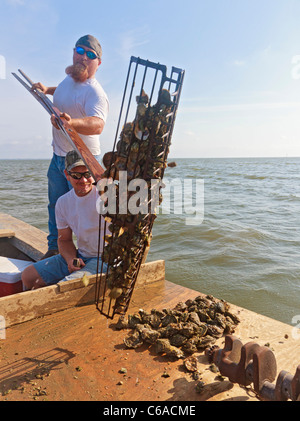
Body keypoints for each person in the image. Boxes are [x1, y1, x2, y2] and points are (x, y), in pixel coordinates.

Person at [32, 34, 109, 259]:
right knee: (56, 205)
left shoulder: (95, 92)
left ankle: (91, 256)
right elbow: (64, 91)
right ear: (74, 52)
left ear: (98, 62)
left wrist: (71, 123)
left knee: (87, 211)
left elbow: (98, 124)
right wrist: (47, 90)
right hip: (58, 157)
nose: (83, 57)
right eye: (80, 50)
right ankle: (56, 249)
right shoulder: (69, 80)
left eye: (90, 54)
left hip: (83, 161)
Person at [22, 150, 107, 290]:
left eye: (87, 174)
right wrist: (70, 260)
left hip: (107, 259)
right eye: (76, 175)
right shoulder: (62, 202)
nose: (83, 180)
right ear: (67, 175)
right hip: (82, 255)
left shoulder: (107, 195)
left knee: (63, 287)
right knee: (28, 276)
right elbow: (64, 240)